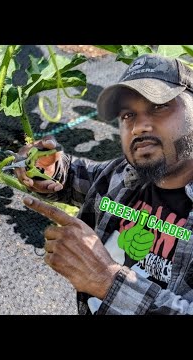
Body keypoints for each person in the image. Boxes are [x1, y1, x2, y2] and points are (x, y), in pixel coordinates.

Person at [14, 53, 193, 315]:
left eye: (159, 106)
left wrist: (106, 281)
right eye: (127, 115)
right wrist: (51, 171)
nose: (138, 126)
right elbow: (83, 177)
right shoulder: (125, 174)